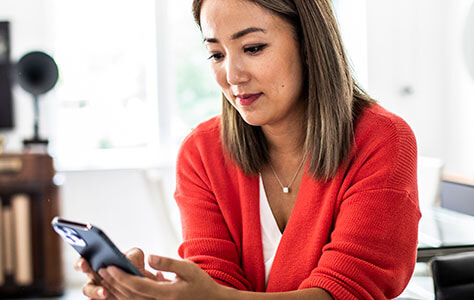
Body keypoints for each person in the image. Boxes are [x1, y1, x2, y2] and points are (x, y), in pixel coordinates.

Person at [75, 0, 420, 298]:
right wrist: (152, 292)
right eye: (216, 54)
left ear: (309, 42)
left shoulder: (382, 140)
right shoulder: (202, 152)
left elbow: (348, 292)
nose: (232, 75)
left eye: (253, 48)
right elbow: (215, 284)